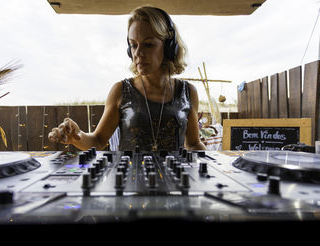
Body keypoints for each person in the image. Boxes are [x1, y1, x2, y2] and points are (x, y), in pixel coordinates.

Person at [48, 6, 206, 152]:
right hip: (130, 181)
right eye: (133, 45)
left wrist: (215, 167)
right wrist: (77, 136)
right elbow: (98, 140)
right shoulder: (120, 90)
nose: (138, 53)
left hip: (176, 182)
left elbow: (193, 143)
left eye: (148, 45)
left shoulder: (187, 92)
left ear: (169, 46)